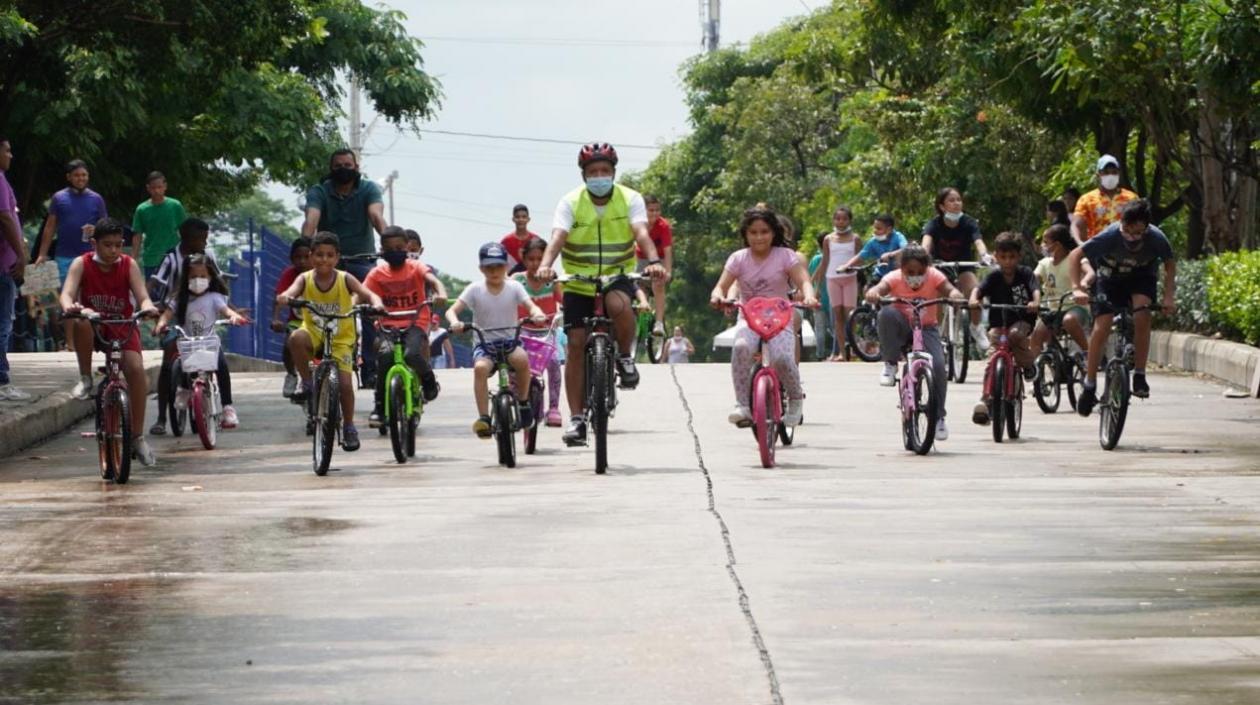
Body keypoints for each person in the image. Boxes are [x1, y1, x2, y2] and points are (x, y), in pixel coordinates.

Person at [535, 143, 666, 446]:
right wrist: (545, 266)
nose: (599, 176)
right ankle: (577, 419)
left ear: (613, 173)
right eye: (593, 172)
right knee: (577, 345)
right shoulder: (569, 202)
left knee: (618, 304)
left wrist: (655, 261)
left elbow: (641, 233)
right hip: (578, 282)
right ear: (584, 175)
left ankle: (624, 357)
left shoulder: (630, 199)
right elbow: (557, 238)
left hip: (617, 276)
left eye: (604, 171)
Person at [59, 218, 160, 465]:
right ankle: (85, 378)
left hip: (122, 325)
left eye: (118, 245)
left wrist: (148, 308)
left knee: (136, 371)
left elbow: (142, 296)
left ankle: (137, 436)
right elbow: (67, 293)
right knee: (81, 322)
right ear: (94, 244)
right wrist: (72, 306)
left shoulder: (129, 265)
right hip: (93, 325)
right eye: (107, 245)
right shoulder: (80, 264)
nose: (113, 250)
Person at [276, 231, 385, 452]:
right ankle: (307, 382)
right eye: (318, 255)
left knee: (345, 385)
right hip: (314, 333)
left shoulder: (345, 278)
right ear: (311, 256)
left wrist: (377, 303)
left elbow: (368, 293)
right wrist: (286, 297)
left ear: (337, 258)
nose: (323, 260)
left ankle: (350, 426)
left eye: (329, 255)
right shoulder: (304, 279)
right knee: (296, 338)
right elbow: (291, 291)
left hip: (341, 339)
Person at [709, 207, 817, 427]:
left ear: (774, 233)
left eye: (764, 231)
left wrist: (809, 297)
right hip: (749, 318)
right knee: (741, 348)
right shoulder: (738, 259)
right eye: (753, 232)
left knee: (782, 358)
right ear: (745, 235)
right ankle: (742, 405)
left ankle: (795, 399)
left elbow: (804, 281)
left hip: (780, 318)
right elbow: (721, 286)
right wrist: (718, 297)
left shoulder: (786, 256)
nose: (759, 237)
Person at [1071, 199, 1176, 415]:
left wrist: (1168, 297)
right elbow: (1076, 256)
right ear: (1122, 224)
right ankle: (1090, 385)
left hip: (1141, 278)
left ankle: (1139, 373)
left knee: (1142, 314)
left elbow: (1169, 263)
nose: (1132, 238)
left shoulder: (1156, 238)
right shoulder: (1110, 236)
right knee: (1103, 324)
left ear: (1146, 228)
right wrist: (1077, 288)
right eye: (1128, 232)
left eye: (1138, 233)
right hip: (1110, 279)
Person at [301, 148, 388, 385]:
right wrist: (306, 244)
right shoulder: (320, 191)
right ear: (331, 169)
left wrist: (389, 241)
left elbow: (376, 216)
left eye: (348, 165)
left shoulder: (369, 189)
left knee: (371, 307)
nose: (343, 169)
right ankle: (313, 362)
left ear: (356, 168)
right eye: (338, 165)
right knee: (313, 305)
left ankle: (370, 367)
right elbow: (312, 219)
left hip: (362, 260)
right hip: (329, 263)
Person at [865, 244, 965, 441]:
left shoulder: (935, 276)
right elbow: (880, 288)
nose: (915, 276)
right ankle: (890, 364)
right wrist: (874, 292)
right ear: (902, 269)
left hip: (926, 328)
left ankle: (939, 417)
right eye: (910, 272)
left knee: (938, 366)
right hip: (902, 327)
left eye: (920, 272)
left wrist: (955, 296)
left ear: (927, 269)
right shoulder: (893, 278)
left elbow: (949, 289)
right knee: (886, 313)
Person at [446, 242, 546, 437]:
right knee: (480, 369)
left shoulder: (514, 286)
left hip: (510, 342)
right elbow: (452, 310)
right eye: (489, 267)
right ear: (481, 268)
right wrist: (455, 322)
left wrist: (537, 313)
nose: (494, 271)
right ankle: (484, 417)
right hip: (485, 345)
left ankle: (524, 403)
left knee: (522, 360)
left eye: (499, 266)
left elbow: (531, 306)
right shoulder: (474, 289)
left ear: (506, 267)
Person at [363, 226, 446, 428]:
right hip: (387, 324)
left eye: (399, 247)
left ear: (406, 247)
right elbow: (361, 292)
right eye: (389, 248)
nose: (395, 251)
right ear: (381, 251)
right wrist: (354, 304)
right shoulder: (377, 273)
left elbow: (433, 281)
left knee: (412, 354)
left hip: (415, 322)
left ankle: (428, 381)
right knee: (384, 357)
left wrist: (440, 293)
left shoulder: (415, 267)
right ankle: (380, 407)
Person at [154, 253, 249, 428]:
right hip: (188, 342)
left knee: (221, 364)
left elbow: (227, 311)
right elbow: (166, 315)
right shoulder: (179, 299)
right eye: (193, 277)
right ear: (186, 278)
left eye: (203, 276)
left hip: (209, 342)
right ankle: (183, 390)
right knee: (182, 363)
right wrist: (161, 324)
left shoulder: (214, 297)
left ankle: (227, 407)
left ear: (210, 277)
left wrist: (235, 317)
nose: (198, 280)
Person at [147, 218, 217, 435]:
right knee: (169, 359)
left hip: (201, 313)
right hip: (173, 313)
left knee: (211, 354)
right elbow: (155, 285)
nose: (204, 243)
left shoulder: (208, 257)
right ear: (186, 238)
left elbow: (218, 286)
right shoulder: (170, 259)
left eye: (206, 239)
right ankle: (161, 418)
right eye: (200, 239)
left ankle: (209, 404)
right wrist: (149, 307)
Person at [969, 233, 1041, 426]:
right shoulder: (993, 276)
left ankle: (1028, 365)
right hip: (998, 324)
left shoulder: (1025, 273)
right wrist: (974, 299)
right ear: (996, 256)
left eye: (1012, 257)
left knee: (1016, 335)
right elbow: (979, 289)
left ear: (1018, 257)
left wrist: (1035, 302)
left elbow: (1035, 289)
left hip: (1021, 320)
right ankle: (986, 400)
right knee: (992, 357)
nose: (1007, 261)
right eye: (1003, 257)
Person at [35, 159, 108, 351]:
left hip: (91, 256)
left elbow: (105, 227)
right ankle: (70, 343)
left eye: (84, 175)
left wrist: (97, 231)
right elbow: (50, 226)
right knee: (69, 300)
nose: (81, 178)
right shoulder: (59, 198)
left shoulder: (96, 199)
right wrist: (42, 254)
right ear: (69, 177)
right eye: (77, 175)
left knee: (91, 298)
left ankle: (94, 341)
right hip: (64, 256)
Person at [921, 187, 994, 352]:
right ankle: (937, 333)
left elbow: (978, 242)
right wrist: (923, 257)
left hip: (964, 266)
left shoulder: (969, 222)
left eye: (958, 200)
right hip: (940, 267)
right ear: (941, 206)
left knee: (976, 291)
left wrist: (985, 255)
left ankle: (976, 327)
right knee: (937, 296)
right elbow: (926, 244)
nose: (956, 204)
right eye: (951, 200)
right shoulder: (933, 224)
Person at [512, 237, 564, 427]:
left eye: (540, 259)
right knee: (513, 367)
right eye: (531, 259)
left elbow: (565, 300)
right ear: (524, 260)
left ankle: (554, 407)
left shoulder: (553, 281)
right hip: (522, 333)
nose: (535, 264)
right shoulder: (516, 281)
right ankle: (518, 403)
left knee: (553, 363)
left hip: (545, 333)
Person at [0, 136, 32, 400]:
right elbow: (5, 218)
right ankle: (2, 381)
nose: (11, 156)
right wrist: (21, 256)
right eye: (7, 151)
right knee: (2, 324)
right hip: (3, 265)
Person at [1030, 224, 1090, 358]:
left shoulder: (1075, 258)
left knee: (1069, 321)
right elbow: (1032, 280)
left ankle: (1088, 353)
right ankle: (1032, 368)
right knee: (1037, 335)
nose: (1042, 246)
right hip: (1051, 309)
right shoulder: (1044, 263)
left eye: (1046, 242)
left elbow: (1090, 273)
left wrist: (1083, 285)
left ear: (1057, 245)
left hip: (1074, 306)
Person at [811, 207, 861, 361]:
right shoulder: (828, 239)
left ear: (850, 220)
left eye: (844, 219)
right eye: (837, 219)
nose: (841, 222)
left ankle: (852, 348)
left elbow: (860, 259)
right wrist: (818, 287)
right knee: (838, 316)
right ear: (833, 220)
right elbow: (825, 262)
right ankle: (841, 352)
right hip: (832, 278)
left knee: (850, 315)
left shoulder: (855, 238)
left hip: (850, 278)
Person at [271, 237, 312, 398]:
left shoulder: (321, 273)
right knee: (289, 342)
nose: (302, 261)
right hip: (297, 321)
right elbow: (279, 298)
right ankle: (292, 374)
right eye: (297, 257)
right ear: (291, 258)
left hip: (319, 320)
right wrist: (275, 318)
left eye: (306, 257)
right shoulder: (290, 275)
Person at [131, 171, 187, 278]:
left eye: (159, 187)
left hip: (173, 258)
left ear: (165, 186)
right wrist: (133, 259)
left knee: (174, 291)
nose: (156, 191)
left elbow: (185, 231)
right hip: (152, 259)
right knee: (153, 292)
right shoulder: (142, 209)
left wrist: (186, 254)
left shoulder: (175, 206)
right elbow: (137, 235)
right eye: (153, 188)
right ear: (148, 188)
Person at [1071, 155, 1139, 242]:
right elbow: (1076, 224)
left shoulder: (1131, 198)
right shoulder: (1087, 199)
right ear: (1098, 174)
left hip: (1126, 247)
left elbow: (1141, 223)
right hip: (1098, 248)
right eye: (1106, 172)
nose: (1110, 175)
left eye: (1114, 172)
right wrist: (1080, 243)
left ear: (1119, 173)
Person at [637, 195, 673, 334]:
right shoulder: (638, 223)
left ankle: (659, 322)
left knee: (658, 283)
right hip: (641, 258)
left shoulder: (663, 226)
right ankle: (641, 311)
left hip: (660, 258)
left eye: (657, 210)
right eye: (651, 210)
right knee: (636, 285)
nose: (654, 213)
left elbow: (667, 249)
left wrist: (668, 271)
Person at [842, 213, 908, 282]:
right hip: (880, 274)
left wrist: (890, 254)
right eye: (874, 228)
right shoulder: (873, 241)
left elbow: (906, 249)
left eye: (878, 228)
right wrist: (846, 265)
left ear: (889, 229)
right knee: (868, 289)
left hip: (897, 274)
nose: (875, 231)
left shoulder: (898, 237)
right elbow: (861, 255)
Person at [806, 238, 833, 360]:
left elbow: (810, 278)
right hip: (833, 297)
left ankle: (820, 354)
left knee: (819, 327)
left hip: (819, 296)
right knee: (835, 327)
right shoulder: (834, 258)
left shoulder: (816, 259)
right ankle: (836, 352)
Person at [501, 204, 540, 274]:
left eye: (524, 217)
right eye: (517, 217)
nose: (521, 219)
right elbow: (501, 264)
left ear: (528, 219)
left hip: (533, 279)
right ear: (513, 219)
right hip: (511, 279)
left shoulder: (536, 240)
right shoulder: (505, 242)